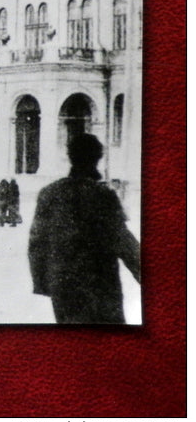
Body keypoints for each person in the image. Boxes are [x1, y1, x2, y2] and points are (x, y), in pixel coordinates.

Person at [28, 133, 141, 324]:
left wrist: (43, 283)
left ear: (70, 156)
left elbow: (37, 243)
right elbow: (123, 241)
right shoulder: (103, 195)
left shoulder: (49, 194)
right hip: (101, 287)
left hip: (64, 288)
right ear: (97, 158)